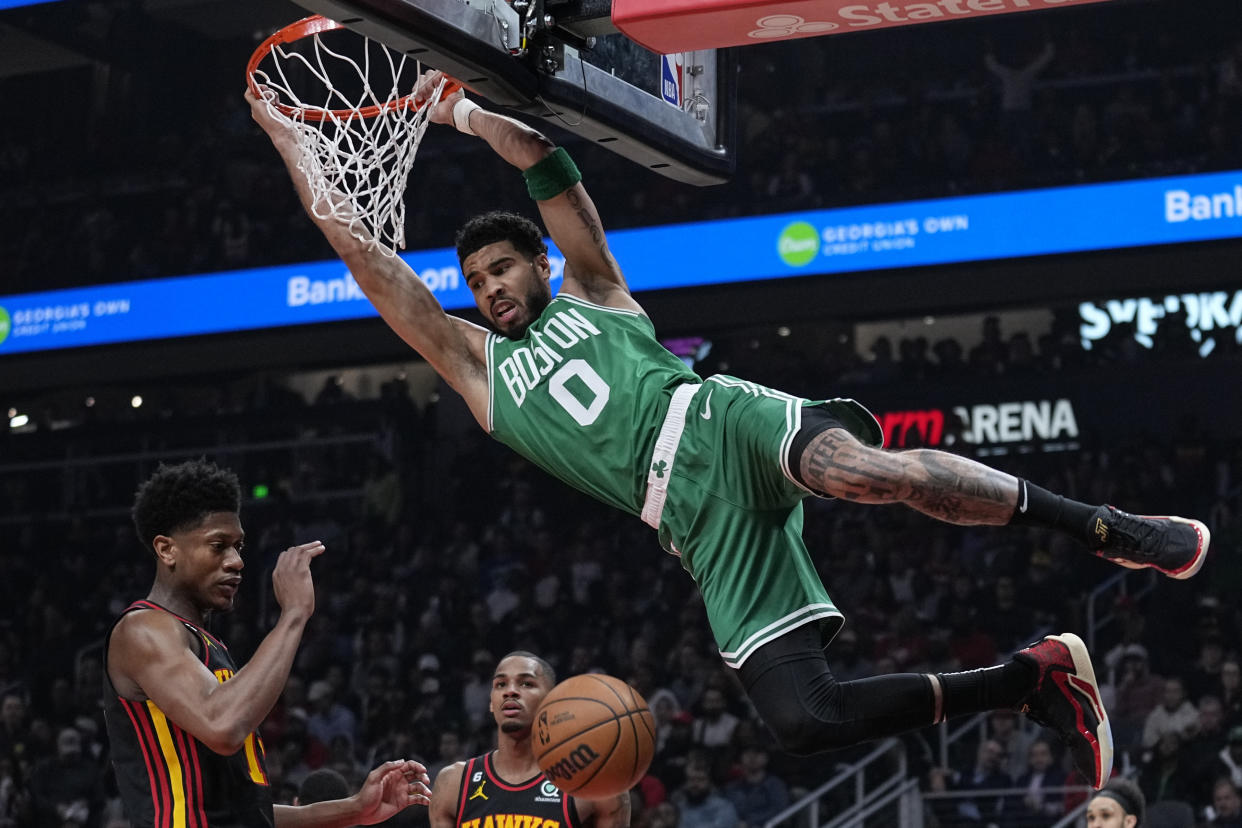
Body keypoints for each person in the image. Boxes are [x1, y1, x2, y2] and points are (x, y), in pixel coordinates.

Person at [247, 75, 1215, 792]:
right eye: (478, 282)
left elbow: (550, 165)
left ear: (538, 265)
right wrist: (294, 143)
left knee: (863, 474)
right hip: (693, 525)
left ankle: (1106, 526)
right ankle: (1031, 678)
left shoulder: (595, 290)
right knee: (804, 717)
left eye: (504, 269)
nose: (491, 290)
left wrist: (460, 113)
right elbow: (365, 256)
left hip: (714, 420)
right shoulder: (475, 370)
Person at [103, 459, 431, 827]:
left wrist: (355, 808)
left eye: (238, 546)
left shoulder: (207, 647)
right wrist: (293, 614)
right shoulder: (143, 629)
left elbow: (248, 813)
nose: (236, 561)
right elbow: (223, 727)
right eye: (218, 546)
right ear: (166, 550)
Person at [426, 651, 629, 828]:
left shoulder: (595, 785)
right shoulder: (453, 783)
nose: (510, 691)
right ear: (491, 703)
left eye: (526, 683)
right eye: (500, 684)